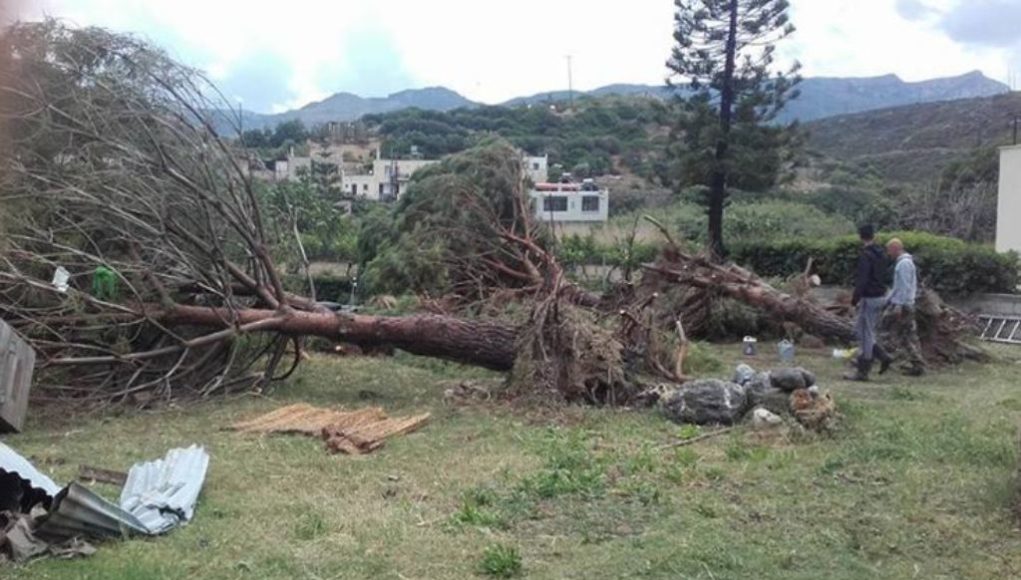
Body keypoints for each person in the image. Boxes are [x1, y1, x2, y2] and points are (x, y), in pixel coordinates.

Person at [844, 225, 894, 381]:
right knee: (860, 330)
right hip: (881, 294)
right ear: (874, 235)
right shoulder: (882, 254)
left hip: (869, 297)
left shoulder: (866, 255)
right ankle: (882, 355)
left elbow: (862, 280)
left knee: (866, 334)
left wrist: (854, 299)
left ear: (860, 236)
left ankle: (863, 371)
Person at [885, 238, 926, 376]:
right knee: (908, 335)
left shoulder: (903, 264)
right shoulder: (906, 263)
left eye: (889, 250)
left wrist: (898, 305)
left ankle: (882, 357)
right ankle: (917, 364)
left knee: (885, 330)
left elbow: (903, 287)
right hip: (906, 304)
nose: (888, 253)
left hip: (903, 305)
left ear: (896, 248)